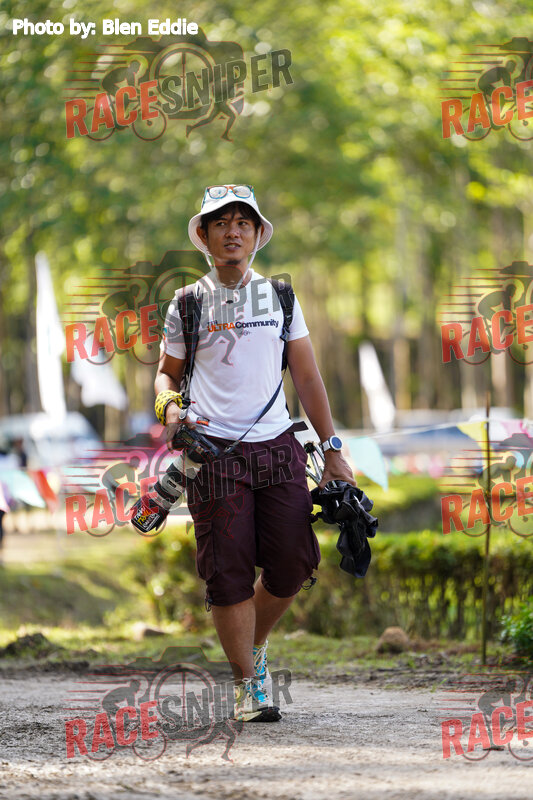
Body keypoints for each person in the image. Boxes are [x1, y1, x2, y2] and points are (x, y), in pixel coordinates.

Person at [155, 184, 355, 722]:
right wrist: (169, 405)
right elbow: (167, 373)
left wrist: (333, 449)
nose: (232, 231)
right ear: (204, 235)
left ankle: (254, 645)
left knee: (293, 561)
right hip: (213, 454)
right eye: (221, 223)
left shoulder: (281, 296)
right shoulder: (187, 302)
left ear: (257, 233)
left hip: (278, 448)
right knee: (227, 574)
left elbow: (307, 376)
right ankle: (248, 685)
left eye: (243, 222)